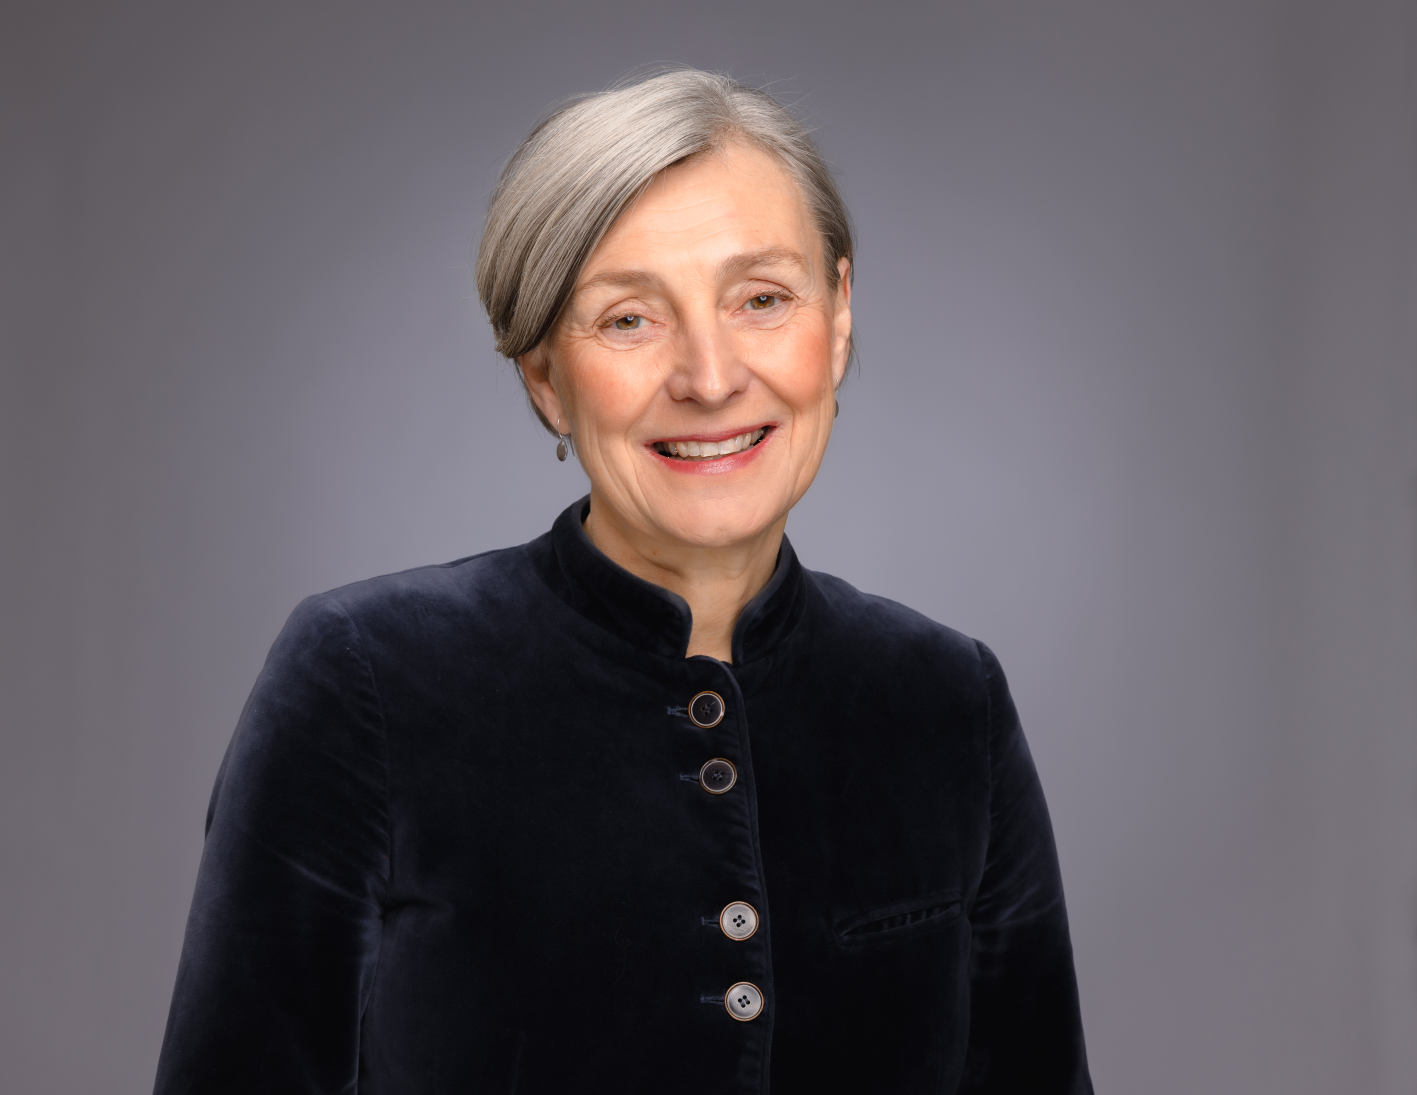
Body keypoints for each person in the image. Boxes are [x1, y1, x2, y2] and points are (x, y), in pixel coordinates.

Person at [154, 68, 1092, 1094]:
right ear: (544, 377)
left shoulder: (948, 700)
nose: (709, 377)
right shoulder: (364, 681)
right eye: (629, 319)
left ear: (836, 318)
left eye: (762, 299)